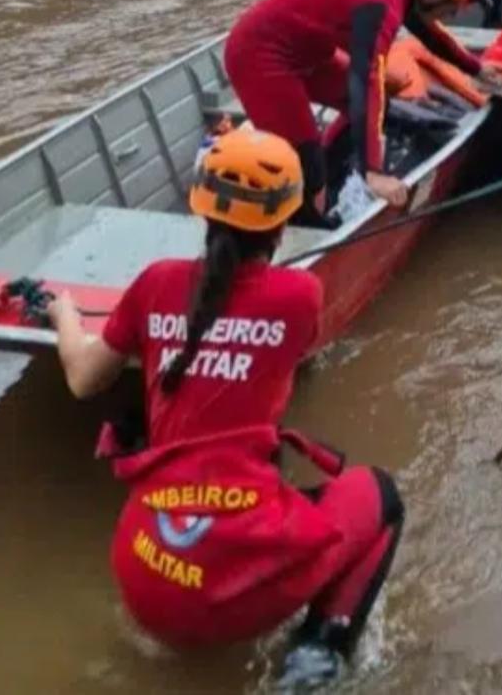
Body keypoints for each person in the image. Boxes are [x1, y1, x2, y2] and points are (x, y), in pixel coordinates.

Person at [47, 128, 403, 689]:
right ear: (284, 222)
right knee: (380, 496)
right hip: (229, 588)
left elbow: (84, 380)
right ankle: (317, 655)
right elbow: (277, 342)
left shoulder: (156, 283)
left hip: (144, 576)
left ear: (200, 210)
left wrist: (64, 314)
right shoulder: (298, 296)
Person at [223, 0, 502, 222]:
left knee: (372, 104)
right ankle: (306, 228)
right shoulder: (381, 3)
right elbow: (365, 80)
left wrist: (477, 69)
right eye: (452, 6)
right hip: (261, 58)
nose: (451, 14)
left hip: (308, 52)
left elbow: (428, 33)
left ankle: (328, 165)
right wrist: (374, 172)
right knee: (307, 168)